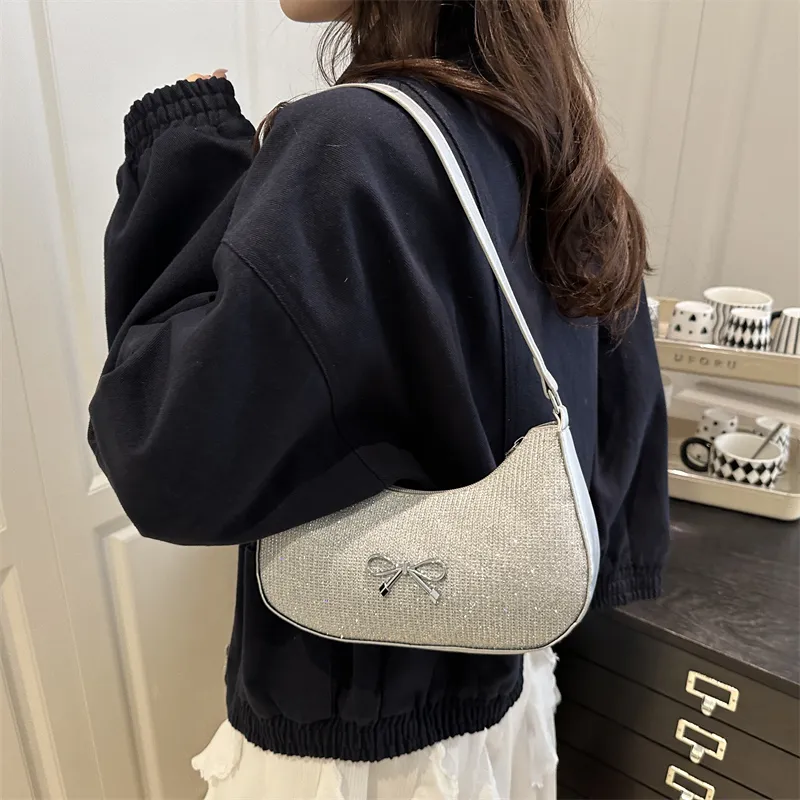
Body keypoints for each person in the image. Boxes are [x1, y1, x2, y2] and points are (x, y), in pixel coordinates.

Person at [89, 0, 669, 797]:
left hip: (356, 749)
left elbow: (165, 456)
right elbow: (618, 425)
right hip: (511, 701)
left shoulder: (353, 146)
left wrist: (181, 156)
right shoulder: (557, 152)